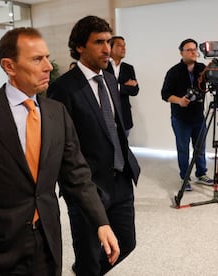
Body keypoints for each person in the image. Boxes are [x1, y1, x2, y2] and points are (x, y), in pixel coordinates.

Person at [0, 27, 120, 276]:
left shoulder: (56, 112)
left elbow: (77, 175)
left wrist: (100, 221)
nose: (49, 66)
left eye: (47, 57)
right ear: (9, 66)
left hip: (48, 241)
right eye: (37, 59)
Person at [47, 16, 140, 276]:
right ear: (79, 47)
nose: (107, 49)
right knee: (88, 256)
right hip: (88, 187)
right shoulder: (63, 89)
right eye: (99, 42)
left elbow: (117, 129)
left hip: (121, 180)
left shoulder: (110, 79)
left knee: (126, 243)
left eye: (108, 41)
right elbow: (61, 146)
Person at [161, 38, 213, 191]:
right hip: (180, 118)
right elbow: (165, 94)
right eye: (189, 49)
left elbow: (214, 81)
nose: (193, 52)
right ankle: (185, 177)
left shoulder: (202, 69)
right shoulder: (174, 72)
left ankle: (201, 173)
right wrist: (179, 101)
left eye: (194, 49)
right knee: (183, 149)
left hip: (198, 117)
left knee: (200, 148)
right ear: (181, 52)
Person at [106, 36, 139, 136]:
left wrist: (115, 87)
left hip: (124, 114)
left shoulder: (128, 68)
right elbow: (104, 87)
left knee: (124, 147)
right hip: (107, 114)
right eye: (119, 45)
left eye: (124, 46)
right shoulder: (103, 65)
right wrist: (122, 86)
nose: (123, 48)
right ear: (110, 48)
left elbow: (135, 90)